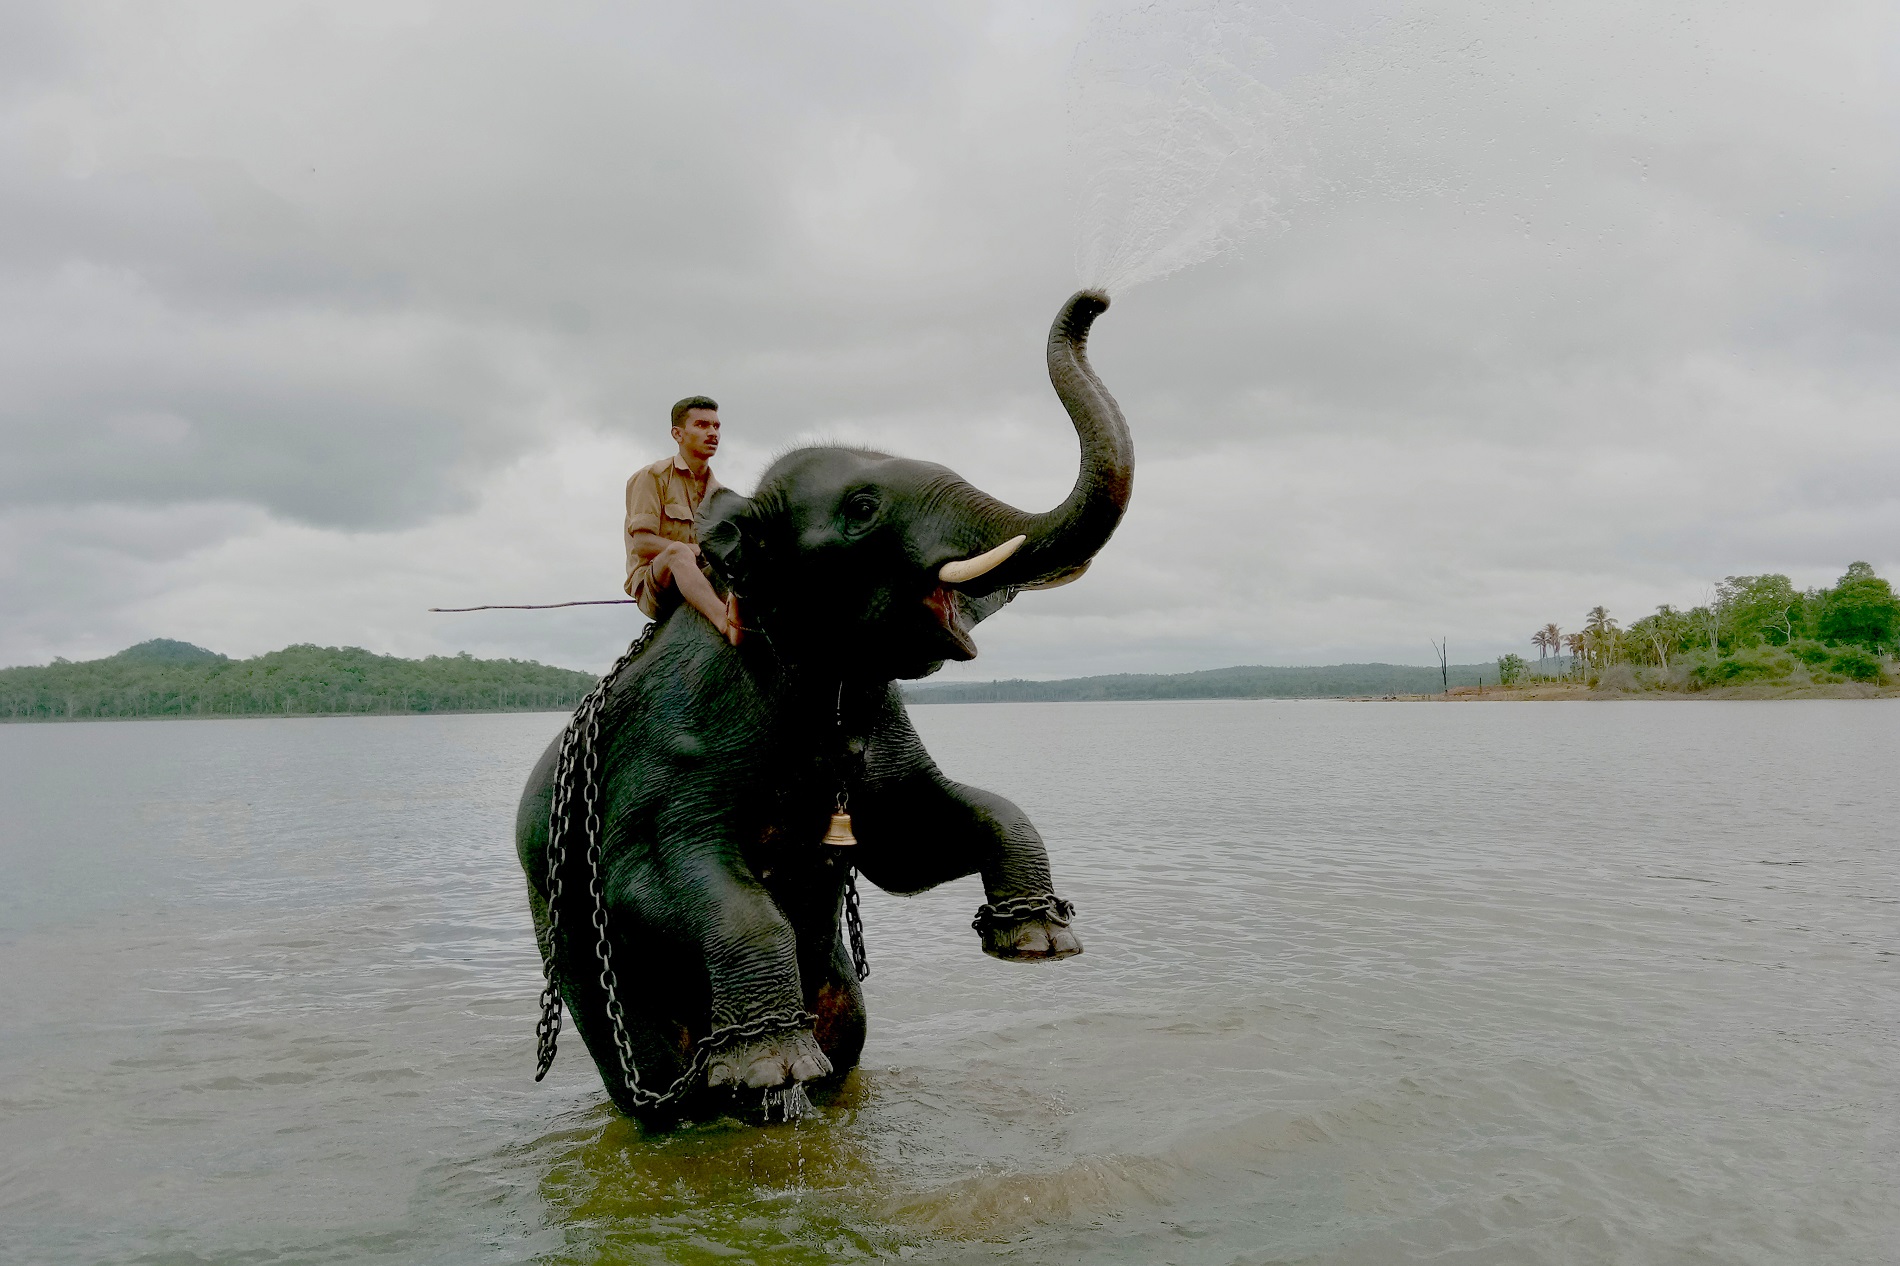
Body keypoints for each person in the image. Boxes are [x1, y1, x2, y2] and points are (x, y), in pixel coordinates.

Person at [624, 395, 740, 643]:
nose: (712, 433)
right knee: (678, 552)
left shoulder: (720, 495)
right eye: (701, 425)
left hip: (704, 581)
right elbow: (642, 544)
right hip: (656, 586)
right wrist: (695, 550)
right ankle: (724, 622)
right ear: (677, 434)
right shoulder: (652, 477)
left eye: (716, 426)